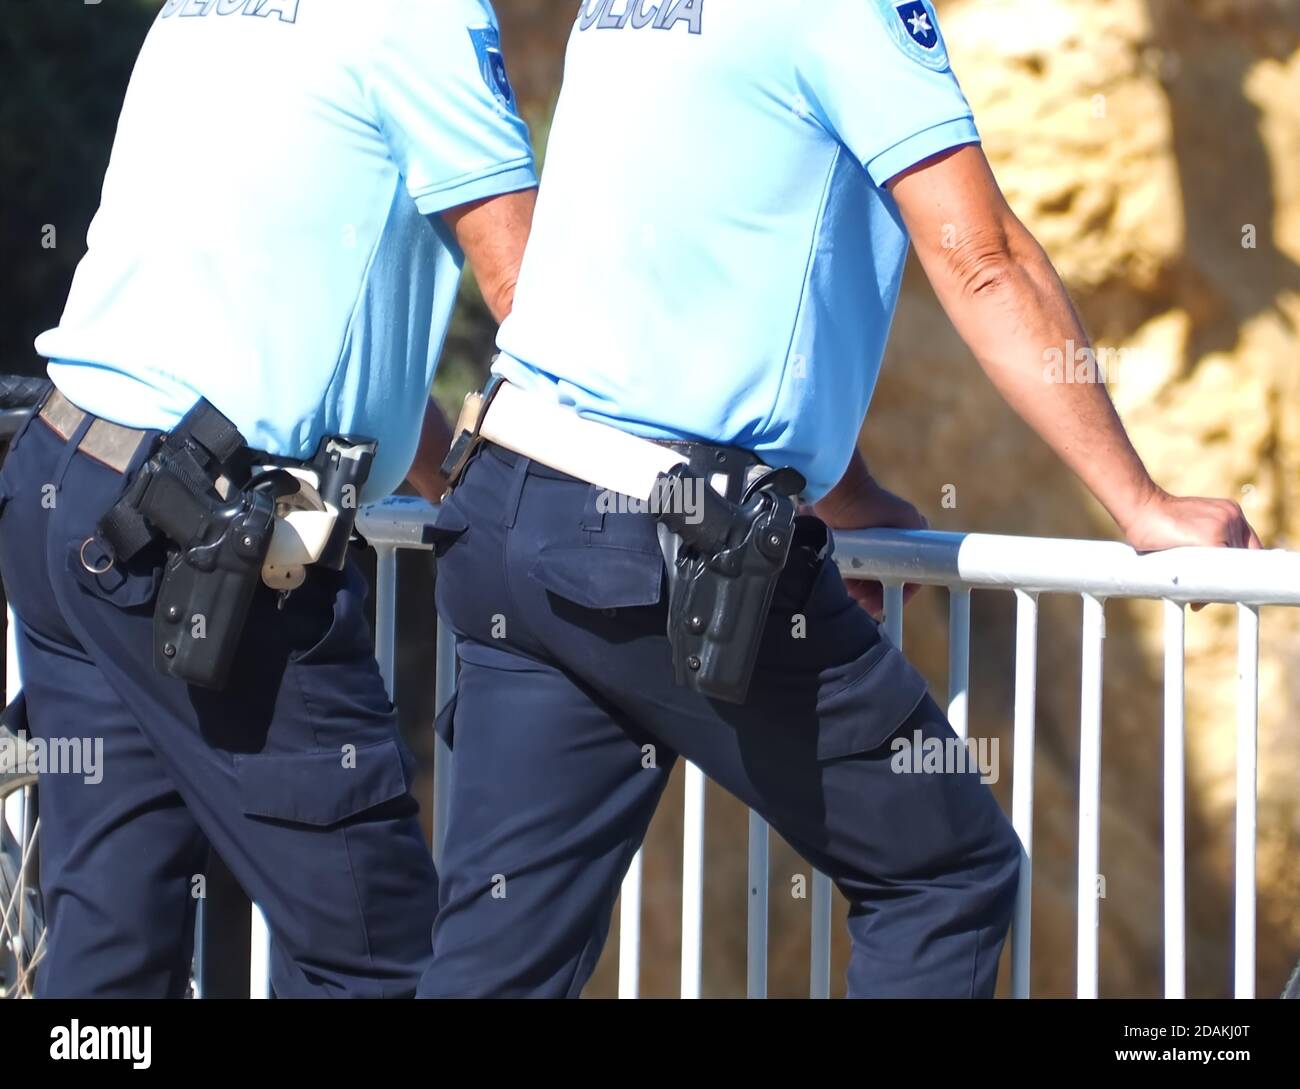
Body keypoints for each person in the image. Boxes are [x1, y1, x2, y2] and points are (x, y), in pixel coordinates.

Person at [419, 0, 1260, 998]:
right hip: (661, 544)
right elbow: (982, 256)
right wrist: (1140, 502)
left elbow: (716, 273)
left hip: (509, 498)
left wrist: (845, 496)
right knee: (944, 873)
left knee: (495, 960)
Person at [0, 0, 536, 997]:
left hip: (67, 485)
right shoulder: (422, 16)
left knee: (109, 953)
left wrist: (449, 475)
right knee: (373, 954)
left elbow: (287, 305)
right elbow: (540, 299)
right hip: (203, 540)